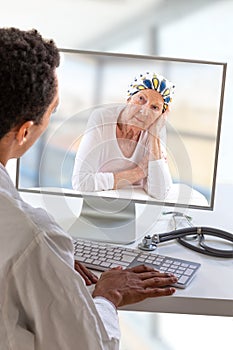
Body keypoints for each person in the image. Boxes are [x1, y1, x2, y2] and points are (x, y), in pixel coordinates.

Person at [0, 27, 178, 350]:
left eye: (155, 108)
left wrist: (51, 264)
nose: (145, 110)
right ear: (25, 132)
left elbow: (160, 189)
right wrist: (109, 295)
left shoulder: (35, 241)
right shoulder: (34, 237)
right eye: (52, 112)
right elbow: (90, 346)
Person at [72, 72, 175, 200]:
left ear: (160, 116)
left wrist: (154, 137)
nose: (144, 111)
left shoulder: (155, 129)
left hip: (135, 204)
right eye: (141, 99)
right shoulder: (102, 118)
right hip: (99, 201)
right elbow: (81, 182)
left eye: (154, 107)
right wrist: (139, 172)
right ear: (129, 99)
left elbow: (160, 192)